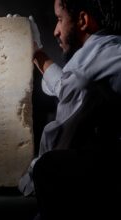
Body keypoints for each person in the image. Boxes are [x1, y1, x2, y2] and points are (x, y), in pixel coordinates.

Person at [14, 0, 121, 219]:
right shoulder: (110, 51)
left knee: (47, 166)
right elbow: (65, 85)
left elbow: (57, 144)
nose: (55, 30)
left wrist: (26, 178)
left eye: (60, 19)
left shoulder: (83, 73)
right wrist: (37, 52)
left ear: (83, 21)